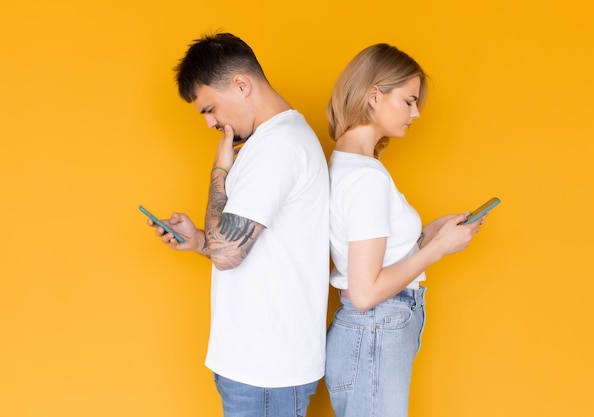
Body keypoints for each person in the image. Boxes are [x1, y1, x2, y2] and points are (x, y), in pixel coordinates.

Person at [145, 33, 329, 417]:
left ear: (242, 85)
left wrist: (219, 171)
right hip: (254, 366)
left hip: (266, 371)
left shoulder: (280, 145)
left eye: (210, 108)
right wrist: (198, 241)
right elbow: (238, 244)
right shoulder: (268, 142)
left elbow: (228, 254)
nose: (211, 121)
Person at [324, 43, 487, 417]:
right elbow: (366, 293)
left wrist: (427, 235)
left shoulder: (350, 165)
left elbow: (368, 258)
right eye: (409, 100)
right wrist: (438, 248)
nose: (416, 113)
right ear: (374, 95)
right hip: (376, 327)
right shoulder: (366, 178)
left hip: (371, 333)